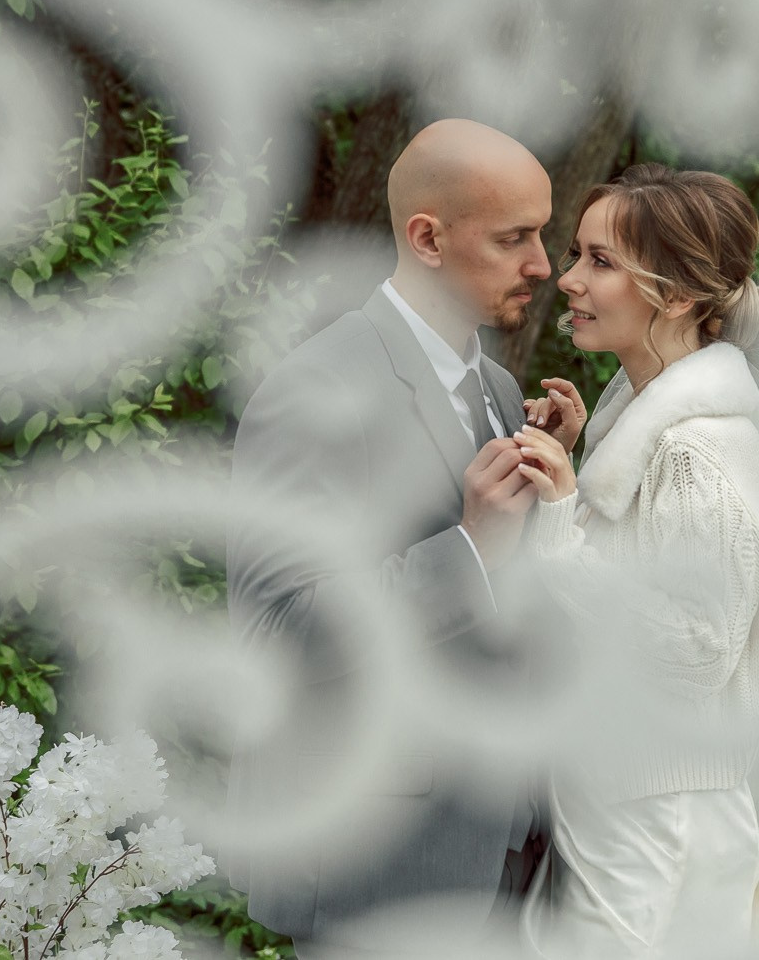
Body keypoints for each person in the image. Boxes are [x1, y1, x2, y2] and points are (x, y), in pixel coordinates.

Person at [224, 119, 585, 958]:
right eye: (514, 238)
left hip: (505, 846)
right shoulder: (312, 389)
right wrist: (468, 548)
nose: (543, 265)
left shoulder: (496, 385)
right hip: (377, 866)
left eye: (543, 234)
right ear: (428, 237)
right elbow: (277, 633)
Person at [510, 162, 759, 958]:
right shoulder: (647, 425)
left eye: (600, 261)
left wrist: (560, 520)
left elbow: (694, 648)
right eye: (577, 255)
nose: (567, 280)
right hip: (623, 807)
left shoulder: (696, 453)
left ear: (683, 295)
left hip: (659, 829)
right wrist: (576, 463)